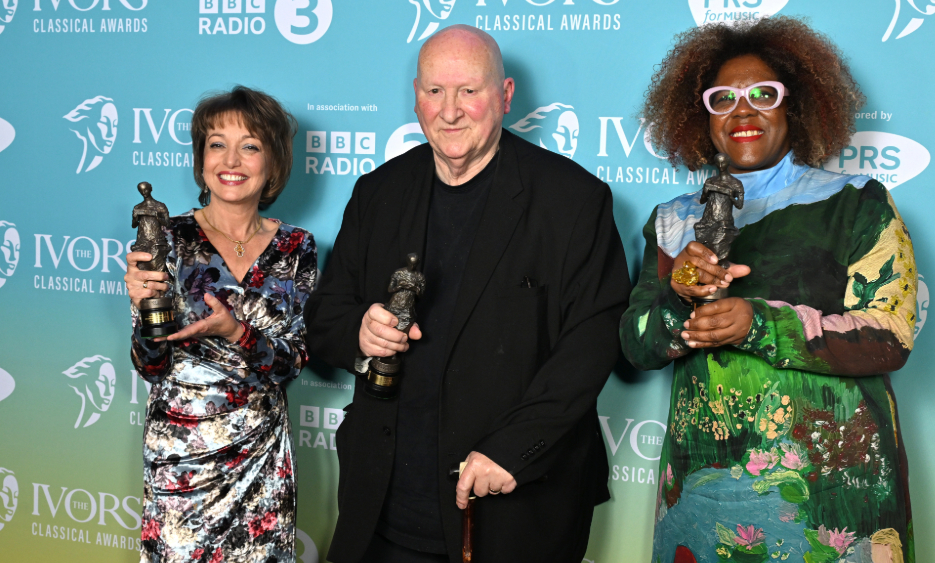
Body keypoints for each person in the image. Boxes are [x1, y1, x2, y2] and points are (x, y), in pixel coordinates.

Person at [304, 24, 630, 563]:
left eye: (468, 91)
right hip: (383, 508)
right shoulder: (377, 193)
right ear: (416, 97)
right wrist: (359, 330)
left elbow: (592, 343)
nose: (449, 110)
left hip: (514, 503)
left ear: (503, 96)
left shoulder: (573, 200)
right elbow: (325, 320)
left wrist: (512, 452)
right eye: (434, 92)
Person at [620, 17, 917, 563]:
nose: (742, 110)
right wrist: (678, 296)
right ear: (699, 115)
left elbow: (892, 335)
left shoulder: (857, 201)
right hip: (701, 490)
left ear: (794, 107)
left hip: (832, 496)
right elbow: (637, 346)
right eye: (722, 98)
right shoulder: (673, 222)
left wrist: (760, 323)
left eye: (763, 94)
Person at [125, 86, 317, 563]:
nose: (231, 159)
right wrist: (145, 309)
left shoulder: (297, 247)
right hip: (181, 463)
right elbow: (151, 366)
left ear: (273, 162)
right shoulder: (164, 237)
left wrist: (236, 332)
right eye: (217, 143)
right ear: (201, 158)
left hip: (261, 462)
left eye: (250, 145)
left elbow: (291, 364)